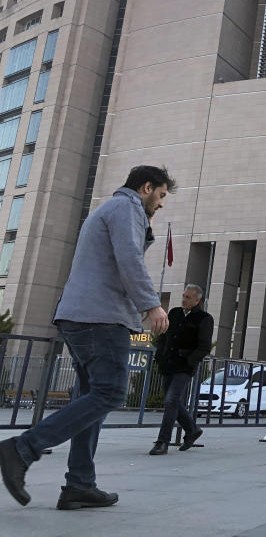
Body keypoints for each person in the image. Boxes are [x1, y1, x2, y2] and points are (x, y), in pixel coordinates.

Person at [0, 165, 174, 509]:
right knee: (110, 393)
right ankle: (22, 448)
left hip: (80, 315)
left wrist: (148, 232)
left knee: (91, 399)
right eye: (162, 195)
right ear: (147, 187)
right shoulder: (127, 208)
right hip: (102, 318)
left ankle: (79, 484)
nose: (162, 203)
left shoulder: (113, 209)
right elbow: (129, 260)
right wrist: (152, 305)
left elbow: (123, 254)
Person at [149, 284, 213, 455]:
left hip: (184, 367)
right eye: (184, 296)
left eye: (188, 297)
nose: (184, 299)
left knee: (171, 401)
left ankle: (163, 442)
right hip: (167, 364)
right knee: (173, 402)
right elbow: (164, 335)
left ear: (197, 300)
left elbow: (204, 346)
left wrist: (189, 360)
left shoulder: (204, 318)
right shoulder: (175, 313)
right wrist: (159, 354)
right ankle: (192, 430)